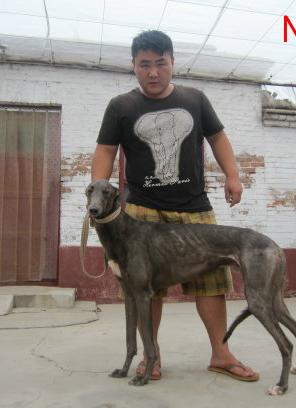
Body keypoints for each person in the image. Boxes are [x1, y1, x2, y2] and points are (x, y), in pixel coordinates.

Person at [91, 30, 258, 382]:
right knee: (144, 288)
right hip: (141, 210)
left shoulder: (195, 99)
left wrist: (233, 175)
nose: (153, 72)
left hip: (194, 206)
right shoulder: (121, 106)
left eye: (160, 63)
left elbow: (217, 137)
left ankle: (221, 354)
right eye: (144, 65)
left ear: (172, 62)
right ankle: (150, 357)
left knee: (211, 283)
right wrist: (97, 197)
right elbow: (106, 150)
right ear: (133, 65)